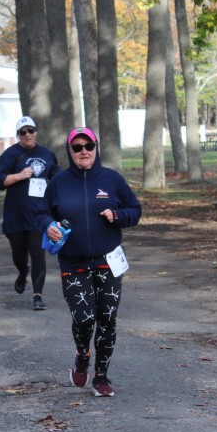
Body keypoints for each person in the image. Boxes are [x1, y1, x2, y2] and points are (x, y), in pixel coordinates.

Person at [38, 127, 141, 397]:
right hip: (74, 263)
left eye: (89, 146)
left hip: (108, 261)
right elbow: (41, 213)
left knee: (107, 318)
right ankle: (82, 354)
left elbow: (135, 210)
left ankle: (101, 376)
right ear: (70, 151)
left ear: (96, 147)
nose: (83, 151)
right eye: (77, 147)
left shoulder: (112, 179)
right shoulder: (58, 182)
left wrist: (117, 216)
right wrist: (48, 225)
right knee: (84, 318)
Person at [0, 116, 60, 311]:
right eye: (23, 132)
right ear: (18, 135)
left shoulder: (46, 154)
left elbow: (57, 179)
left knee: (38, 254)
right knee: (19, 255)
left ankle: (38, 296)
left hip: (39, 214)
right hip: (15, 214)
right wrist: (19, 176)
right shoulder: (10, 154)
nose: (28, 135)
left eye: (31, 131)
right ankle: (23, 271)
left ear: (36, 132)